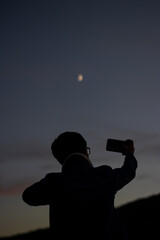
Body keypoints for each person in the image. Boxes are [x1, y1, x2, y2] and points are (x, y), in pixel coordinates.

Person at [22, 131, 137, 240]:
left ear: (60, 159)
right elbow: (128, 171)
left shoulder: (53, 182)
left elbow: (27, 196)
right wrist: (129, 154)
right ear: (85, 150)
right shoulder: (104, 175)